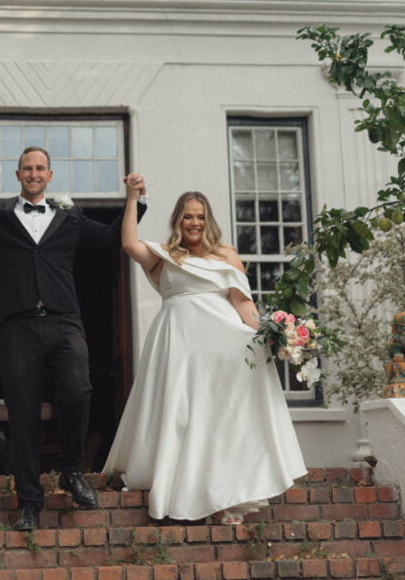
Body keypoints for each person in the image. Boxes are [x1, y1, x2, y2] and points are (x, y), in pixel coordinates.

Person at [0, 146, 146, 531]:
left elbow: (111, 238)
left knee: (76, 391)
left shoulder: (70, 217)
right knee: (23, 414)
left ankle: (71, 469)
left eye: (40, 168)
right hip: (16, 327)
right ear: (18, 176)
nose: (34, 173)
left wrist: (136, 199)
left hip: (64, 321)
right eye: (27, 169)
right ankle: (30, 502)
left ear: (50, 176)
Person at [104, 178, 306, 523]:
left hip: (223, 347)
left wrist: (277, 333)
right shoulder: (164, 255)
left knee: (221, 419)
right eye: (187, 217)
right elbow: (128, 243)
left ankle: (227, 496)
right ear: (177, 221)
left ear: (208, 219)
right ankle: (175, 481)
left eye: (199, 216)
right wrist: (132, 198)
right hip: (178, 343)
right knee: (180, 415)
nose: (194, 223)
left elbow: (244, 308)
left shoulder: (227, 255)